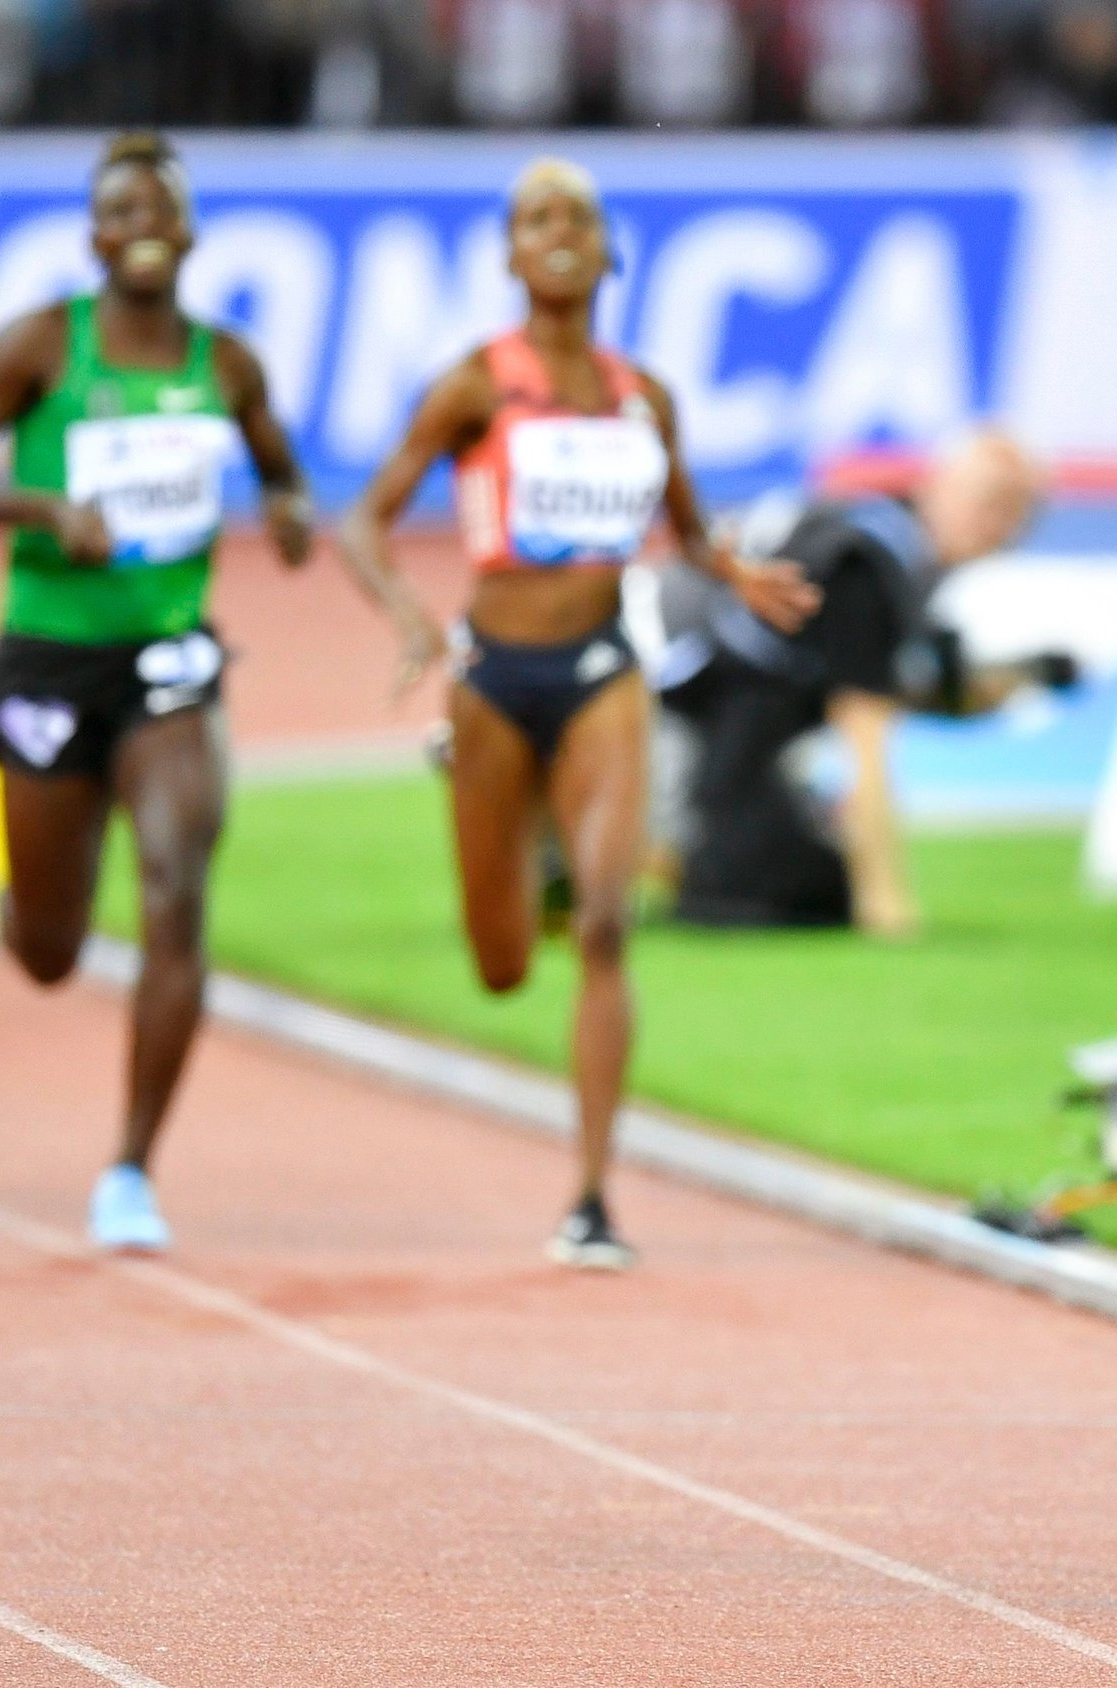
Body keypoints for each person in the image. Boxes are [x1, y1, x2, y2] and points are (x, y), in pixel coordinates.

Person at [334, 157, 817, 1270]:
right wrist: (411, 615)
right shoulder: (474, 384)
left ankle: (592, 1197)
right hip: (496, 673)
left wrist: (731, 569)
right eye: (535, 218)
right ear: (508, 254)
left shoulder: (645, 394)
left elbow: (686, 530)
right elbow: (365, 518)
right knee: (503, 964)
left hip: (605, 666)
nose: (558, 233)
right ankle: (517, 834)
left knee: (606, 925)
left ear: (609, 253)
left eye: (579, 219)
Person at [0, 130, 311, 1252]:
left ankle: (131, 1166)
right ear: (96, 238)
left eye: (160, 209)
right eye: (119, 211)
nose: (141, 227)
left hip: (168, 659)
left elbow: (283, 470)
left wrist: (286, 510)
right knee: (48, 952)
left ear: (185, 232)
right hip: (47, 659)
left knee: (179, 883)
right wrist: (47, 515)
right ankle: (32, 895)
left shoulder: (225, 364)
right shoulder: (42, 346)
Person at [649, 434, 1057, 935]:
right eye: (985, 500)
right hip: (653, 725)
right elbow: (865, 740)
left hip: (702, 723)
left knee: (782, 868)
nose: (995, 522)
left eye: (1014, 508)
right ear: (935, 487)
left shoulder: (888, 546)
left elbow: (909, 689)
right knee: (784, 890)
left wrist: (1027, 679)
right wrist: (885, 902)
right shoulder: (867, 567)